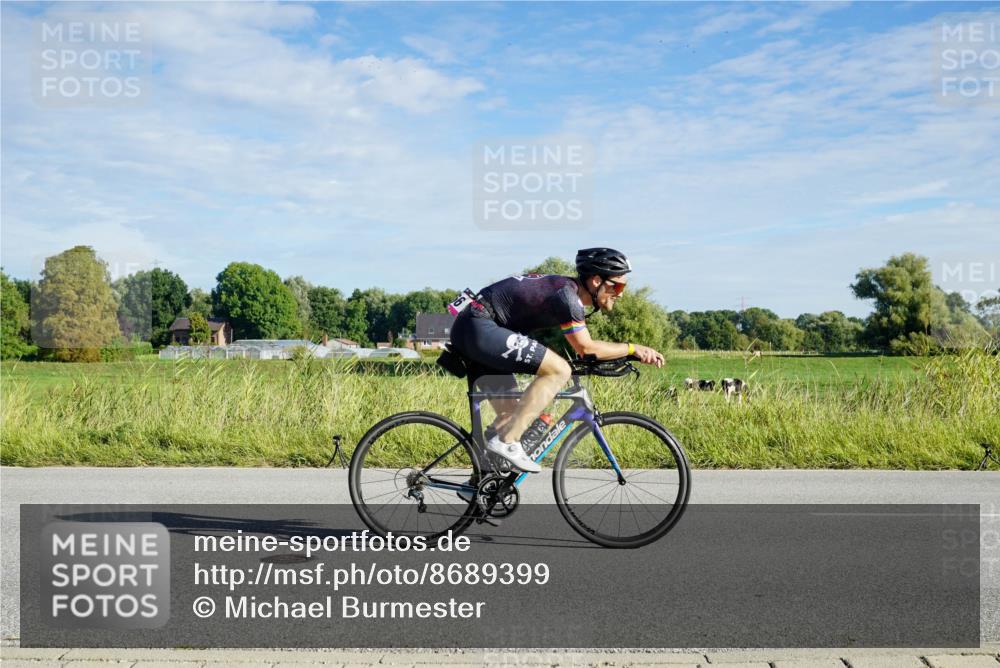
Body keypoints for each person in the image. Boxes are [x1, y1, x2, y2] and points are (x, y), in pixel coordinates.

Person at [448, 248, 664, 473]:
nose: (620, 293)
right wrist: (633, 348)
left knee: (513, 416)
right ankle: (507, 443)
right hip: (479, 327)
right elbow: (586, 348)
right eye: (617, 286)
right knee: (559, 370)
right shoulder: (567, 296)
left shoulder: (566, 291)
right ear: (596, 280)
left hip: (476, 327)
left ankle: (483, 485)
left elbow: (586, 350)